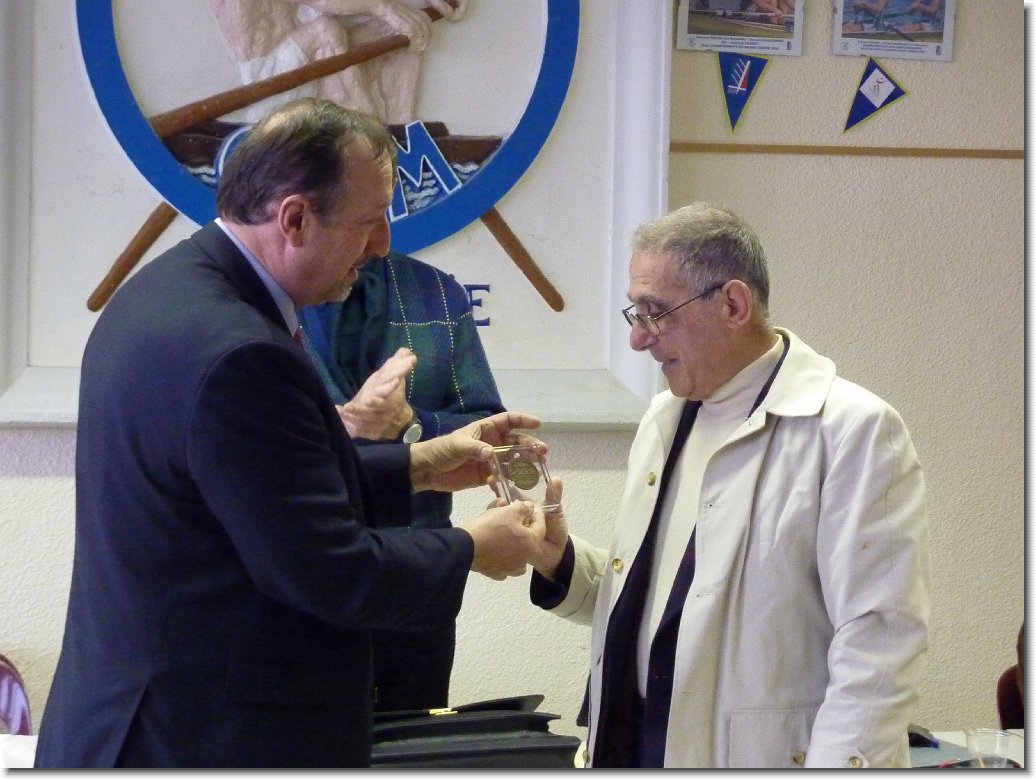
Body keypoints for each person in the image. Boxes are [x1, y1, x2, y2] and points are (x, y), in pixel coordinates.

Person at [33, 97, 546, 769]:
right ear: (296, 218)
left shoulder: (166, 292)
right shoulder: (242, 352)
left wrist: (416, 465)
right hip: (197, 742)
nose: (383, 245)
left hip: (147, 722)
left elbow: (253, 490)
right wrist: (473, 546)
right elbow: (330, 573)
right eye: (370, 220)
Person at [527, 202, 931, 768]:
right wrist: (559, 561)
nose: (638, 340)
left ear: (734, 304)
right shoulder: (665, 419)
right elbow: (672, 611)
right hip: (633, 746)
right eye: (635, 313)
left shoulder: (850, 430)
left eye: (655, 313)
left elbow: (879, 642)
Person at [298, 251, 505, 711]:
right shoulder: (256, 306)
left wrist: (410, 424)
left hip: (417, 595)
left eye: (384, 217)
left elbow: (489, 431)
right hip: (299, 594)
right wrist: (343, 427)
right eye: (367, 218)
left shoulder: (437, 294)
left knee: (415, 744)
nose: (380, 238)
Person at [209, 0, 469, 125]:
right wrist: (384, 8)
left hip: (307, 69)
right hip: (268, 85)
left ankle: (402, 130)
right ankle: (370, 127)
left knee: (405, 30)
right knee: (325, 30)